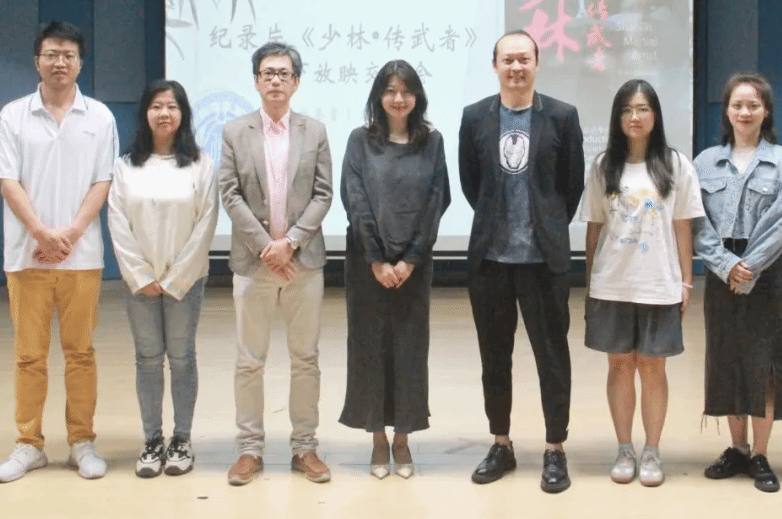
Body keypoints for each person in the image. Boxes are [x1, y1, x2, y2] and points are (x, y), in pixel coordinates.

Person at [0, 21, 119, 483]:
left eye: (68, 55)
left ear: (80, 63)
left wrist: (72, 233)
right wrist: (41, 233)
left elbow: (103, 180)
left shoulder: (100, 117)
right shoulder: (12, 116)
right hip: (27, 256)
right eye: (51, 54)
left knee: (81, 353)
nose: (60, 62)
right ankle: (29, 444)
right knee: (29, 356)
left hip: (82, 258)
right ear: (37, 60)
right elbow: (7, 181)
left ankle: (82, 441)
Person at [458, 30, 585, 494]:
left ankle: (555, 448)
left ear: (537, 63)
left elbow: (571, 186)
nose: (516, 67)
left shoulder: (562, 116)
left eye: (524, 59)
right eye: (508, 60)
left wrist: (545, 227)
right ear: (495, 66)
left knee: (552, 357)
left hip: (543, 261)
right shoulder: (475, 117)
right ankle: (501, 443)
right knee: (495, 357)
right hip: (491, 261)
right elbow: (472, 184)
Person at [219, 41, 334, 485]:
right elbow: (230, 193)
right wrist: (268, 247)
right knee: (250, 361)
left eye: (284, 74)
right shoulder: (235, 131)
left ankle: (305, 447)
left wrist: (291, 244)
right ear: (256, 81)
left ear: (296, 82)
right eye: (268, 73)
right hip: (254, 264)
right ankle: (249, 450)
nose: (275, 80)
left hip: (303, 264)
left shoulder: (315, 131)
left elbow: (323, 194)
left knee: (306, 359)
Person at [581, 79, 703, 487]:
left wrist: (686, 282)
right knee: (619, 365)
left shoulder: (675, 164)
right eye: (627, 110)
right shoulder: (603, 166)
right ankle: (624, 448)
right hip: (612, 283)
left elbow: (683, 226)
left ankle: (651, 449)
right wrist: (590, 283)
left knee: (652, 367)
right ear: (617, 117)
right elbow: (594, 228)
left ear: (655, 115)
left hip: (658, 282)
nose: (635, 117)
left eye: (642, 108)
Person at [338, 60, 451, 479]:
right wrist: (376, 259)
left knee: (409, 350)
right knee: (369, 348)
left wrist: (409, 260)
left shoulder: (432, 141)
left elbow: (437, 201)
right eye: (390, 90)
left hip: (413, 268)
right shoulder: (360, 140)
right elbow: (355, 199)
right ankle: (377, 439)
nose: (398, 98)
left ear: (417, 96)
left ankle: (402, 437)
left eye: (406, 91)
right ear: (378, 96)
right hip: (366, 265)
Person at [693, 73, 782, 493]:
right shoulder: (705, 162)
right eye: (737, 104)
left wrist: (749, 267)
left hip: (767, 273)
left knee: (766, 363)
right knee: (727, 357)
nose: (745, 112)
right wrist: (726, 265)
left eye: (753, 105)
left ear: (765, 111)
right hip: (722, 272)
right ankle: (737, 448)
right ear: (726, 111)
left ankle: (760, 453)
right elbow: (696, 221)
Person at [107, 79, 219, 478]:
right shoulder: (125, 165)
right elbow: (117, 222)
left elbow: (207, 222)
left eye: (172, 106)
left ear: (183, 114)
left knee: (182, 358)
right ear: (145, 113)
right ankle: (152, 440)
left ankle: (182, 439)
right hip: (140, 282)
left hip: (185, 282)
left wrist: (178, 278)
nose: (164, 113)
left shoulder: (201, 164)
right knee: (148, 360)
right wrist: (140, 275)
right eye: (156, 106)